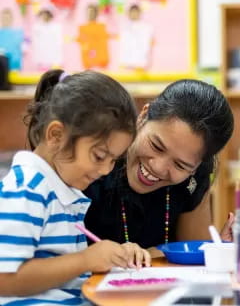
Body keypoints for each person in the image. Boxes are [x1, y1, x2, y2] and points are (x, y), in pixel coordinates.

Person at [0, 70, 150, 305]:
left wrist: (113, 255)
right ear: (56, 135)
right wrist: (86, 260)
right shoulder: (27, 189)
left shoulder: (60, 190)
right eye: (99, 156)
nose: (106, 171)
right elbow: (5, 279)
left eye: (113, 160)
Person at [84, 79, 235, 255]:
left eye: (180, 165)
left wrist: (218, 250)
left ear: (196, 166)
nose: (158, 167)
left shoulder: (193, 181)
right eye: (156, 146)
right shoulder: (97, 156)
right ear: (143, 116)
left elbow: (191, 256)